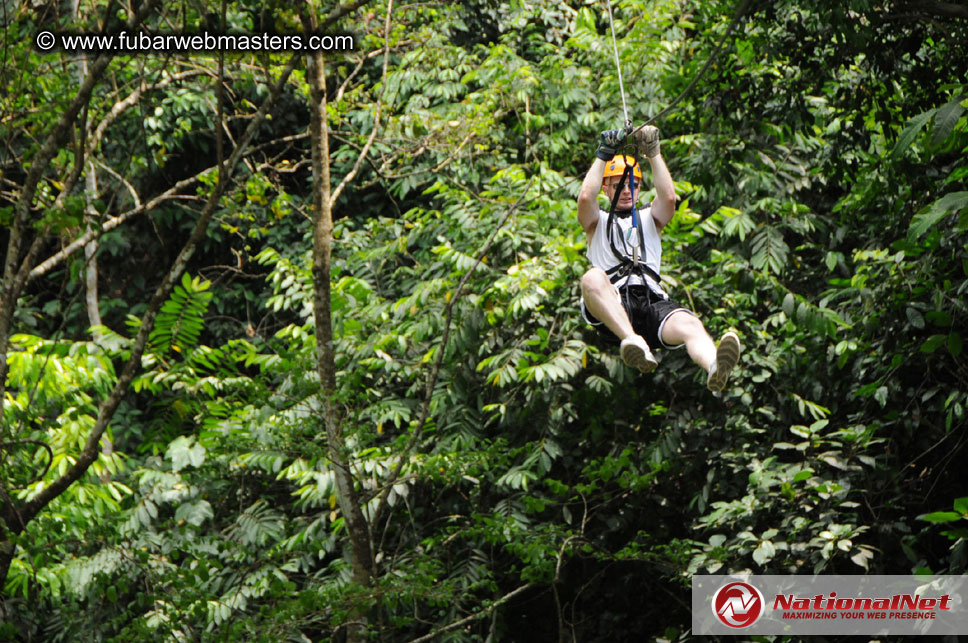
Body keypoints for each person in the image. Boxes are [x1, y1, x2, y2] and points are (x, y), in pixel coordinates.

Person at [577, 125, 740, 393]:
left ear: (640, 187)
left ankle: (714, 366)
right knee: (592, 277)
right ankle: (632, 341)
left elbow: (668, 197)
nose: (628, 190)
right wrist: (603, 154)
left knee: (690, 324)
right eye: (619, 185)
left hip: (651, 300)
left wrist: (653, 153)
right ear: (606, 188)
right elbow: (585, 197)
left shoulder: (650, 218)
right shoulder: (597, 221)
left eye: (633, 185)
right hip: (614, 302)